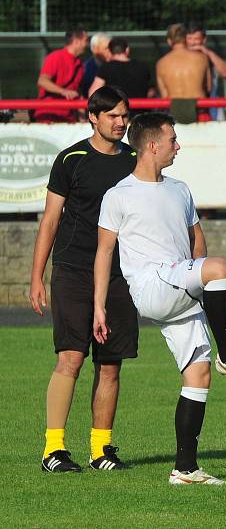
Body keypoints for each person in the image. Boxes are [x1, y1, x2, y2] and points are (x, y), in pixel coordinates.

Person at [93, 112, 226, 485]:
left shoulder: (180, 189)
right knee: (220, 267)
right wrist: (98, 305)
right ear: (152, 145)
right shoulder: (118, 195)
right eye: (173, 140)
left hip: (179, 282)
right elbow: (104, 253)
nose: (178, 146)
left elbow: (196, 241)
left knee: (197, 375)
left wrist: (199, 271)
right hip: (152, 286)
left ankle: (185, 469)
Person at [30, 86, 139, 473]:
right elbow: (51, 221)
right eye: (112, 116)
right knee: (71, 358)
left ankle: (101, 450)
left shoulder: (135, 160)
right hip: (73, 271)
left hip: (119, 275)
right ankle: (53, 450)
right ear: (93, 117)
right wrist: (37, 276)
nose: (121, 123)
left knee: (110, 364)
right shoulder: (71, 159)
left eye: (125, 115)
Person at [156, 23, 212, 121]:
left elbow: (164, 96)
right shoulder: (202, 58)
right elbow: (209, 87)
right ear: (186, 38)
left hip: (174, 113)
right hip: (199, 111)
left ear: (169, 41)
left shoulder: (161, 63)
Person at [33, 28, 89, 123]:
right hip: (49, 116)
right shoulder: (56, 57)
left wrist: (82, 118)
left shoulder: (79, 64)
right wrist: (63, 91)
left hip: (68, 118)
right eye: (86, 41)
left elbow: (77, 94)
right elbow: (42, 81)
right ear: (76, 41)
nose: (87, 44)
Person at [89, 38, 155, 113]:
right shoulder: (143, 67)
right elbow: (151, 92)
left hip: (117, 114)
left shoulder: (106, 68)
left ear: (110, 52)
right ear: (127, 50)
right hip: (141, 114)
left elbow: (93, 92)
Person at [186, 23, 226, 121]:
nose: (192, 43)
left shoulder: (211, 56)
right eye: (189, 39)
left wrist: (207, 53)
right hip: (187, 108)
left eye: (196, 39)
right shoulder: (179, 58)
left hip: (212, 108)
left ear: (204, 40)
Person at [80, 33, 111, 98]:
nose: (110, 52)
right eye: (106, 48)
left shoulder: (115, 66)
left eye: (111, 48)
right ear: (94, 49)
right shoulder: (85, 69)